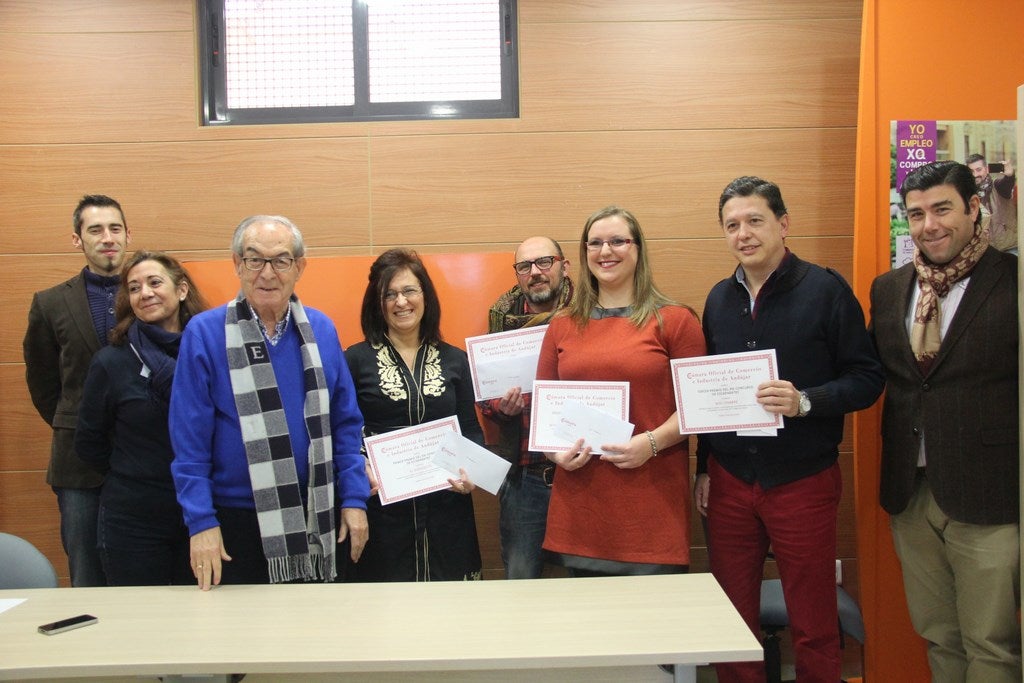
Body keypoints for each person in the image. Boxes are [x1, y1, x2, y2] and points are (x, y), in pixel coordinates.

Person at [695, 177, 884, 683]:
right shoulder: (719, 299)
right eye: (732, 225)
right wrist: (703, 468)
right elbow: (708, 394)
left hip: (802, 481)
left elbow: (867, 378)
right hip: (731, 479)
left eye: (755, 221)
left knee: (813, 621)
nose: (743, 234)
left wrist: (806, 401)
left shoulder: (825, 291)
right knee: (731, 620)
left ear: (783, 224)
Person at [870, 160, 1020, 682]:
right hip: (911, 493)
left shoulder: (1014, 280)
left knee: (992, 643)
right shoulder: (889, 289)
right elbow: (877, 374)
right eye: (916, 214)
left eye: (942, 209)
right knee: (939, 636)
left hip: (990, 494)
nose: (929, 225)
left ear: (974, 208)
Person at [169, 215, 369, 590]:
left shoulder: (321, 329)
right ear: (237, 264)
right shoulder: (205, 333)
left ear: (299, 267)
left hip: (317, 515)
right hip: (233, 522)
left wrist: (355, 499)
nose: (267, 273)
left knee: (314, 624)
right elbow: (189, 442)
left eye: (280, 260)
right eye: (254, 259)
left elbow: (345, 423)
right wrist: (201, 522)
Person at [536, 206, 705, 576]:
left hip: (652, 507)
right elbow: (543, 413)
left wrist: (652, 443)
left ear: (638, 249)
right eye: (594, 243)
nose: (605, 251)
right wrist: (554, 453)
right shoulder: (561, 325)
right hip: (580, 509)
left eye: (617, 241)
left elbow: (699, 407)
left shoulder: (676, 321)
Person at [345, 248, 483, 582]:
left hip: (447, 510)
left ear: (425, 296)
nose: (401, 302)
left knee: (450, 607)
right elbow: (343, 433)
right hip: (383, 512)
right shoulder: (354, 360)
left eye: (409, 290)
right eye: (389, 294)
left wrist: (472, 474)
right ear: (377, 303)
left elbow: (470, 430)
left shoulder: (455, 360)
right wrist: (359, 465)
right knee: (387, 606)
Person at [75, 251, 208, 586]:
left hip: (202, 513)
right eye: (134, 288)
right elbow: (89, 442)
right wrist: (134, 471)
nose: (144, 293)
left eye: (154, 283)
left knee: (203, 611)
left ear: (181, 290)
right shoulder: (111, 361)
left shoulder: (210, 352)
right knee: (138, 614)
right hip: (133, 517)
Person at [23, 194, 132, 587]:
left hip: (143, 456)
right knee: (86, 569)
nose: (107, 238)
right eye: (96, 230)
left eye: (115, 228)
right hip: (76, 462)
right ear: (77, 239)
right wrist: (77, 420)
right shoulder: (50, 303)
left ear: (128, 235)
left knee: (146, 567)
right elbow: (43, 382)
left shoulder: (152, 292)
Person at [479, 236, 574, 580]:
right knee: (521, 583)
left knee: (590, 585)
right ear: (517, 274)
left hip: (585, 476)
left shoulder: (589, 317)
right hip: (525, 480)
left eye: (544, 262)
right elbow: (486, 398)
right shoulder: (500, 323)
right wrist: (503, 408)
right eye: (524, 266)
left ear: (564, 266)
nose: (535, 272)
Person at [965, 153, 1016, 253]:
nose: (975, 175)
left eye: (979, 169)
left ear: (986, 169)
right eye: (971, 171)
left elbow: (1007, 183)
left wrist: (1010, 175)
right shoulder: (968, 193)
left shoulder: (997, 186)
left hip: (1009, 247)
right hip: (985, 251)